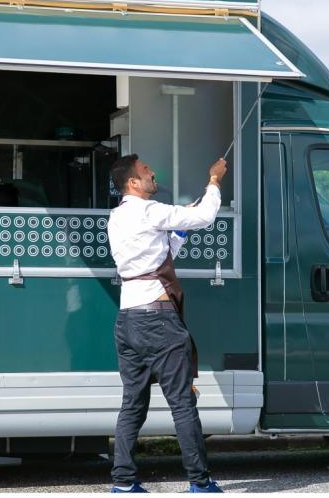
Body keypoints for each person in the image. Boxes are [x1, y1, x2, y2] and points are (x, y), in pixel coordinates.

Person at [107, 154, 228, 494]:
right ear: (133, 182)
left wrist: (178, 228)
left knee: (133, 403)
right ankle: (200, 483)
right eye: (146, 171)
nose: (152, 173)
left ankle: (123, 482)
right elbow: (204, 217)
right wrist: (214, 180)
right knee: (182, 403)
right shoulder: (149, 210)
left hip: (128, 320)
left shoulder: (116, 218)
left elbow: (159, 250)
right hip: (158, 321)